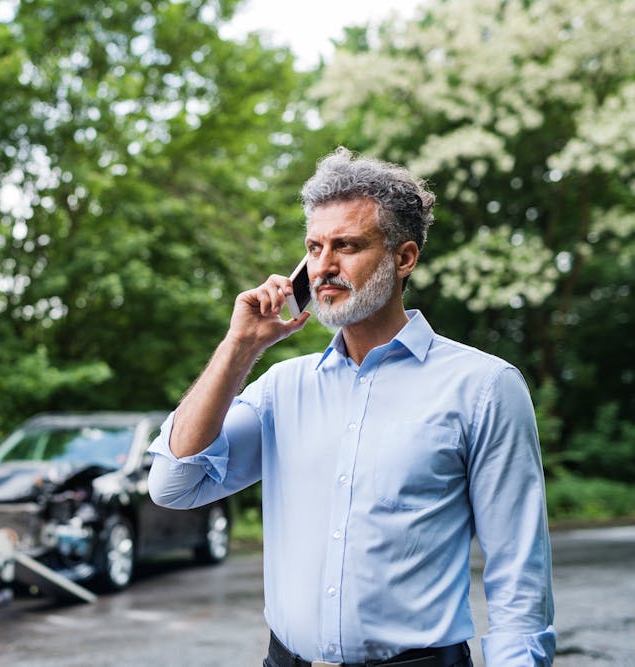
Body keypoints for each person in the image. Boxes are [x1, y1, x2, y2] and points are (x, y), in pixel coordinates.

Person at [147, 147, 555, 667]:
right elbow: (174, 486)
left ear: (403, 257)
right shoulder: (283, 388)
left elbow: (518, 575)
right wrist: (240, 346)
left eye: (347, 246)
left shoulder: (484, 387)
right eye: (314, 248)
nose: (323, 267)